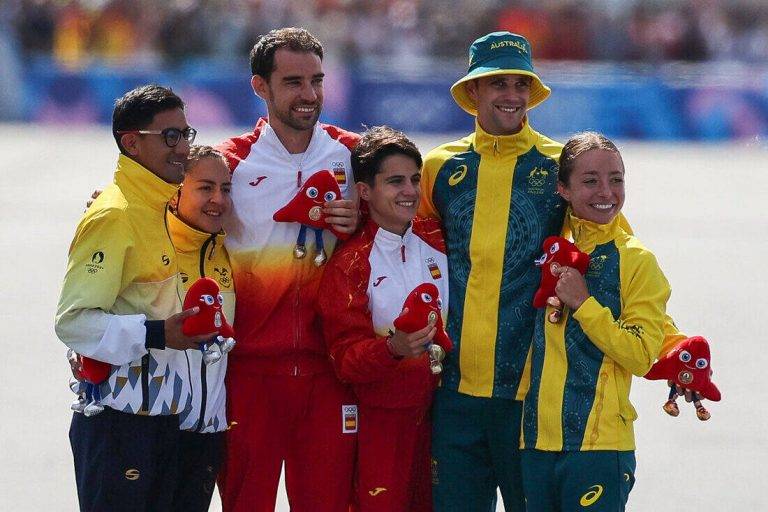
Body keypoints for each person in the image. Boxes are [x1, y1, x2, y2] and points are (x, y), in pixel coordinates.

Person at [215, 27, 360, 512]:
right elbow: (161, 222)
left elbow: (412, 217)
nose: (309, 95)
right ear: (260, 86)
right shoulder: (227, 165)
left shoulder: (356, 156)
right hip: (249, 374)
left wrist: (362, 223)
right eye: (293, 82)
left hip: (330, 372)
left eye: (316, 81)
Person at [418, 32, 562, 512]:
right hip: (453, 393)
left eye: (520, 84)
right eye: (497, 83)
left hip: (531, 391)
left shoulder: (561, 165)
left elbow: (614, 251)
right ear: (473, 93)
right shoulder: (439, 167)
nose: (511, 95)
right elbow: (407, 257)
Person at [55, 84, 215, 511]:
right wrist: (161, 333)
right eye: (169, 136)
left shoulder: (160, 206)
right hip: (117, 423)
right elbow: (72, 322)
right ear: (131, 142)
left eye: (187, 134)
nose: (183, 148)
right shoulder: (115, 214)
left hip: (161, 419)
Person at [520, 132, 670, 511]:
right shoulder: (547, 249)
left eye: (616, 179)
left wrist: (585, 304)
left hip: (600, 446)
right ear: (563, 189)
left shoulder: (636, 260)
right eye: (590, 181)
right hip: (535, 443)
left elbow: (641, 354)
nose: (606, 191)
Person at [319, 126, 448, 512]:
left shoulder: (440, 237)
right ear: (364, 192)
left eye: (413, 179)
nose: (409, 191)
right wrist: (392, 349)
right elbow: (344, 358)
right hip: (383, 423)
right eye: (394, 181)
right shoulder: (351, 263)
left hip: (446, 417)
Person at [168, 145, 235, 511]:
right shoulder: (151, 242)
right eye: (204, 187)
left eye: (225, 189)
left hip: (208, 430)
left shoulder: (229, 249)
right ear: (176, 191)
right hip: (151, 429)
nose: (217, 199)